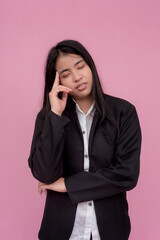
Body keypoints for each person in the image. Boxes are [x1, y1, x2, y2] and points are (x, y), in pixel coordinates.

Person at [28, 39, 142, 240]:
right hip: (60, 230)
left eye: (80, 66)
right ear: (57, 82)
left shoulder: (124, 112)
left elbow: (127, 173)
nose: (77, 77)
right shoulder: (48, 117)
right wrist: (55, 115)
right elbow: (44, 173)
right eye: (66, 74)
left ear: (90, 66)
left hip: (111, 230)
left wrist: (68, 185)